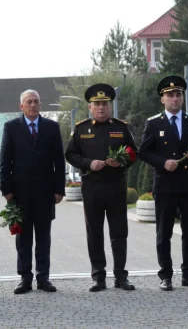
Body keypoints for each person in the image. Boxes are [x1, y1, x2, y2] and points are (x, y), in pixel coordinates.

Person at [65, 83, 137, 292]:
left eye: (105, 103)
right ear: (90, 107)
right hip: (92, 187)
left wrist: (121, 162)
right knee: (94, 232)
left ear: (110, 106)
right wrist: (89, 163)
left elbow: (134, 152)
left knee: (119, 232)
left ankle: (121, 276)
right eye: (97, 104)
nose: (101, 107)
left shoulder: (120, 127)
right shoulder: (81, 128)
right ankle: (98, 276)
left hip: (115, 186)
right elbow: (70, 154)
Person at [138, 75, 188, 292]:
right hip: (165, 184)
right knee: (164, 232)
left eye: (178, 95)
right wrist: (162, 162)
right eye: (170, 95)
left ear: (182, 98)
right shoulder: (153, 123)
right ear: (163, 100)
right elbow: (144, 152)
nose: (175, 99)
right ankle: (165, 275)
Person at [0, 89, 65, 294]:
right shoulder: (11, 127)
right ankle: (25, 279)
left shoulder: (51, 127)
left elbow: (59, 161)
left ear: (40, 104)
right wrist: (7, 190)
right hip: (20, 194)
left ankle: (43, 278)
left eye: (36, 101)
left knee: (44, 238)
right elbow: (4, 161)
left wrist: (59, 189)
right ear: (22, 106)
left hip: (46, 193)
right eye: (29, 102)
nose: (33, 105)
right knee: (24, 239)